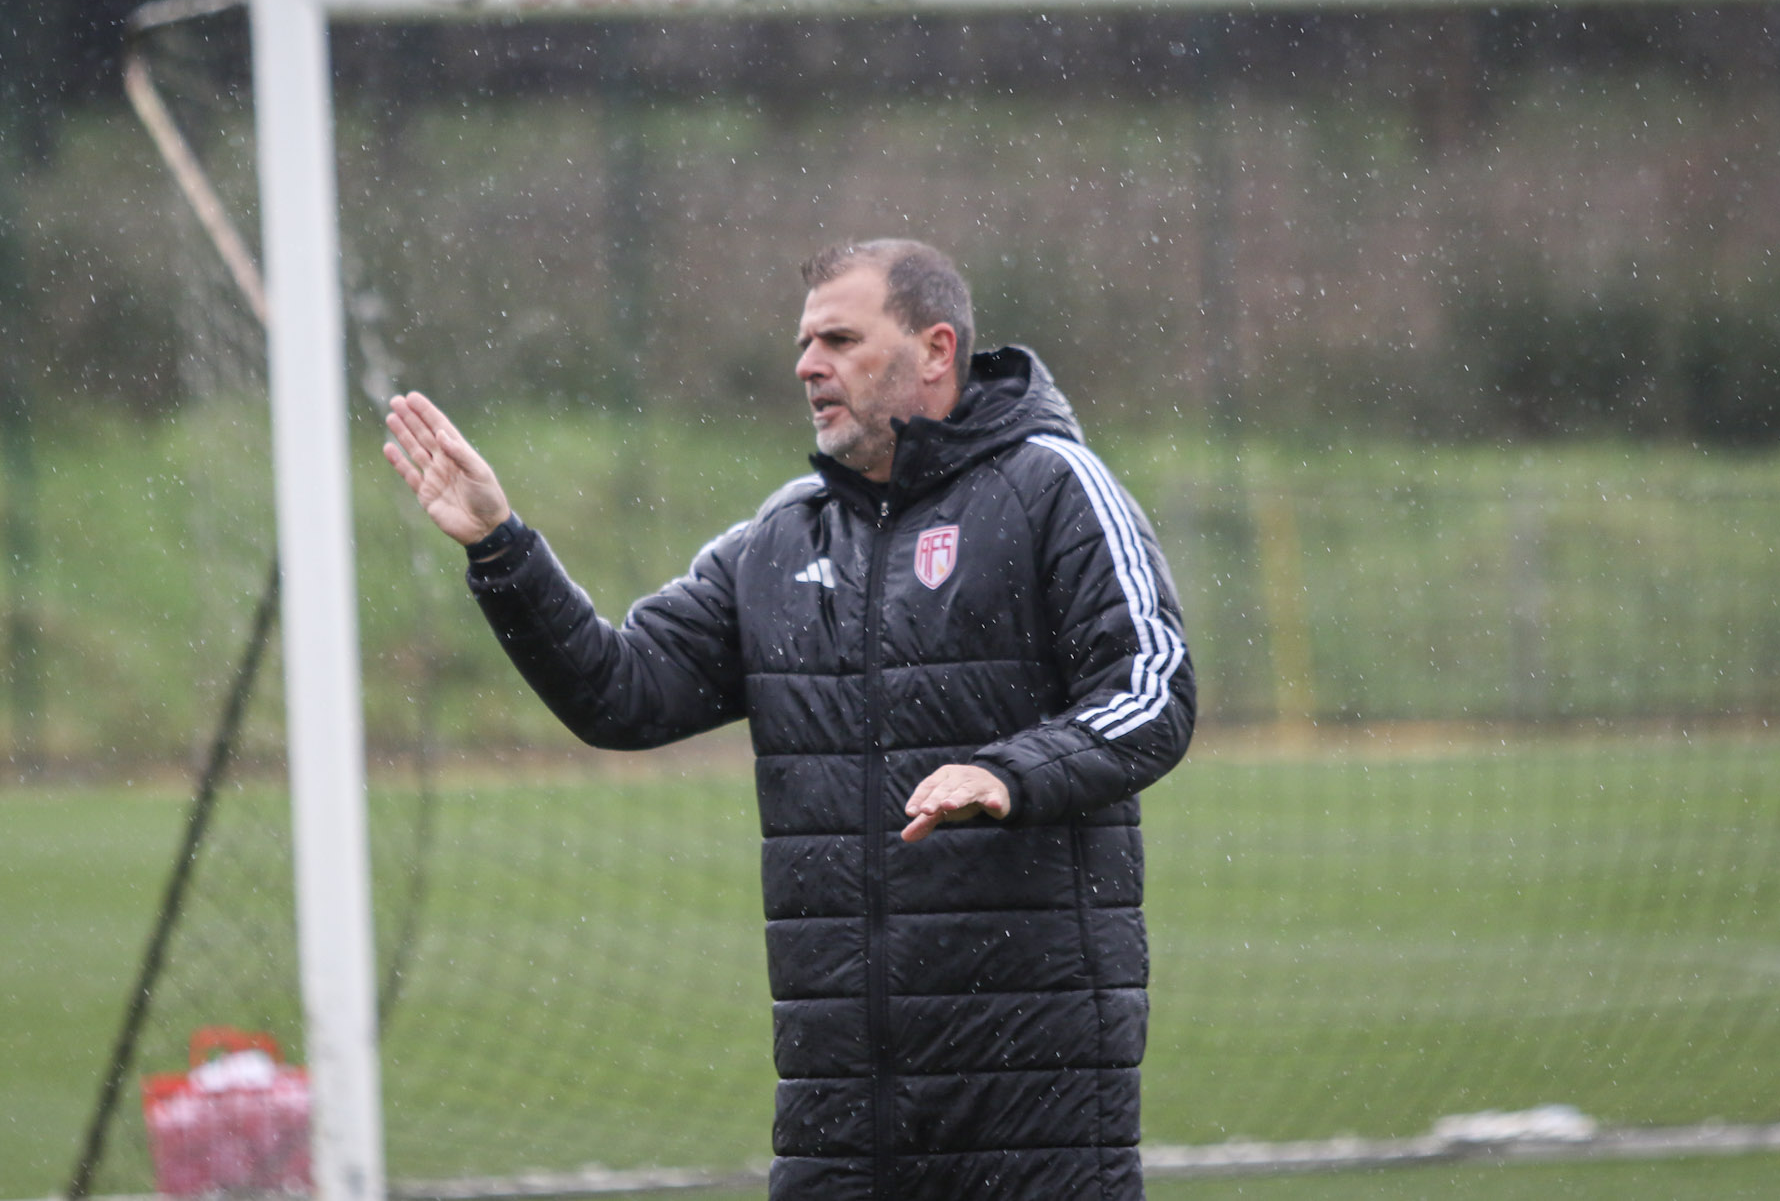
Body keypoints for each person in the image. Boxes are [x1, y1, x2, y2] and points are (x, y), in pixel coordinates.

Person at [383, 239, 1195, 1201]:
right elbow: (620, 691)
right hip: (837, 1103)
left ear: (937, 349)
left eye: (840, 340)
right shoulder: (779, 537)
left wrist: (1011, 772)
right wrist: (502, 548)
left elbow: (1153, 686)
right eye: (805, 342)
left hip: (1032, 1101)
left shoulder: (1053, 486)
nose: (808, 364)